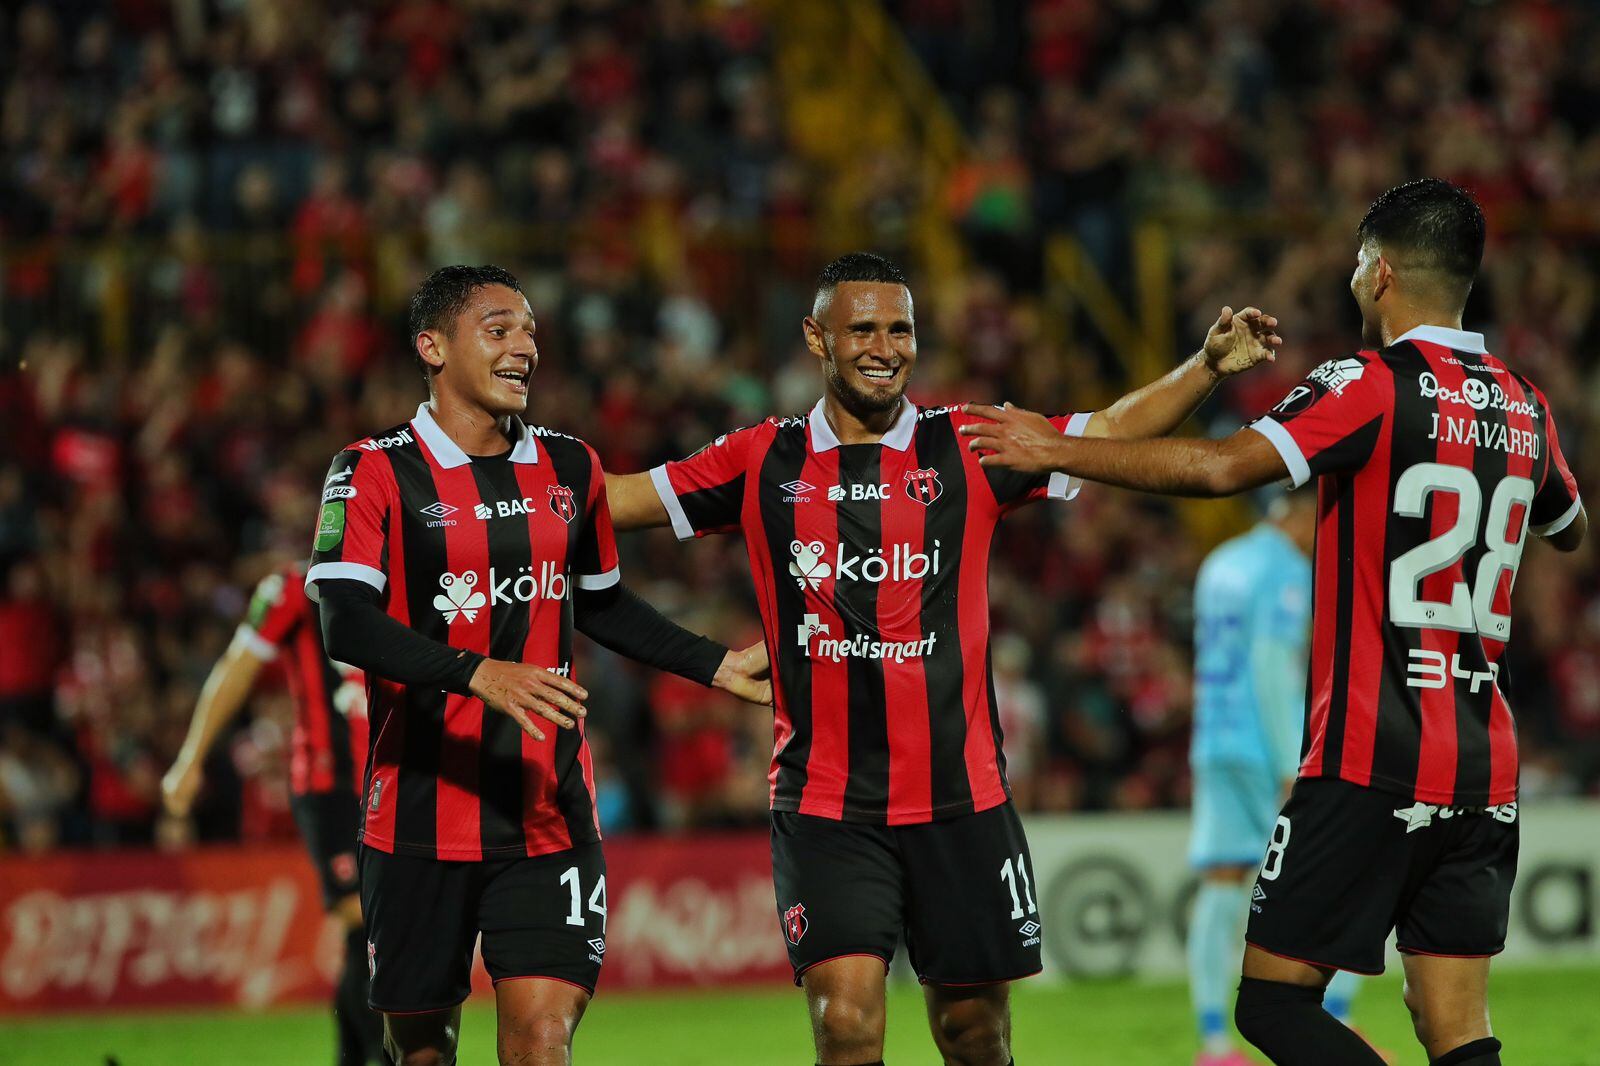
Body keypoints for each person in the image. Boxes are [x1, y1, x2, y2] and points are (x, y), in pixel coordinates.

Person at [959, 178, 1586, 1066]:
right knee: (1456, 1027)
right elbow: (1571, 527)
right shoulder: (1528, 403)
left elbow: (1222, 470)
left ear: (1377, 272)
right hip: (1486, 761)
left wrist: (1054, 447)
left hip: (1369, 755)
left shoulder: (1367, 384)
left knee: (1272, 1006)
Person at [602, 251, 1281, 1066]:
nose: (884, 346)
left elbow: (1103, 432)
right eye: (863, 329)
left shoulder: (969, 443)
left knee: (975, 1034)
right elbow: (615, 499)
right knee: (846, 1026)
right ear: (817, 338)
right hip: (826, 805)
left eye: (901, 328)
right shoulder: (758, 460)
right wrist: (494, 461)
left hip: (962, 801)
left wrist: (1204, 367)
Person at [306, 264, 769, 1066]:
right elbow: (345, 624)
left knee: (541, 1041)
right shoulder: (373, 469)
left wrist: (713, 664)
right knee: (419, 1052)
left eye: (529, 332)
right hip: (417, 816)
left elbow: (601, 603)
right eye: (499, 330)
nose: (524, 348)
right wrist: (477, 673)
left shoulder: (570, 466)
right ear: (433, 346)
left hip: (547, 812)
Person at [163, 559, 384, 1066]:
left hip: (392, 781)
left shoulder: (404, 576)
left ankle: (353, 1058)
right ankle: (380, 1056)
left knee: (374, 932)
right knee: (361, 919)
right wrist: (191, 758)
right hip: (330, 783)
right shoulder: (289, 589)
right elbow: (238, 667)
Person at [1186, 492, 1369, 1065]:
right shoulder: (1286, 571)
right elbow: (1270, 666)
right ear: (1293, 513)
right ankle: (1337, 1022)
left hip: (1216, 737)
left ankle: (1214, 1039)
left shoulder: (1222, 562)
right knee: (1336, 875)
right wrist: (1293, 762)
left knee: (1221, 881)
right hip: (1268, 745)